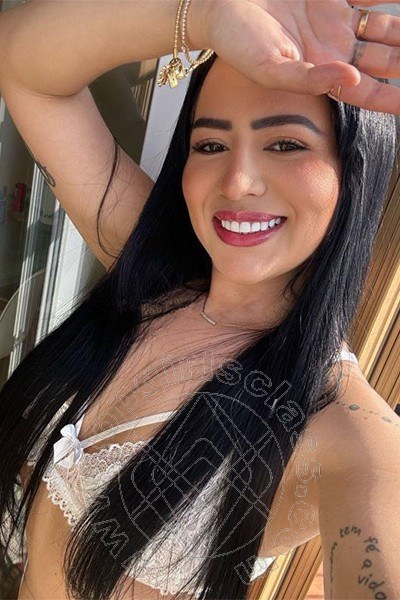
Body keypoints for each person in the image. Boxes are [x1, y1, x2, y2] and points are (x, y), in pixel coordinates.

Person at [0, 0, 399, 598]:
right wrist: (208, 16)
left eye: (286, 145)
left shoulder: (342, 428)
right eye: (210, 145)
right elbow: (24, 65)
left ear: (355, 171)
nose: (237, 182)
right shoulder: (151, 275)